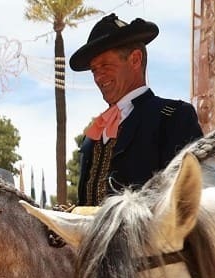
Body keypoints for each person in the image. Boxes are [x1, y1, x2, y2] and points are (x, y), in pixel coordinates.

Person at [70, 13, 203, 206]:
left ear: (135, 59)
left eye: (105, 65)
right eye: (94, 70)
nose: (98, 77)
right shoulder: (93, 136)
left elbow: (186, 200)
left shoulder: (172, 117)